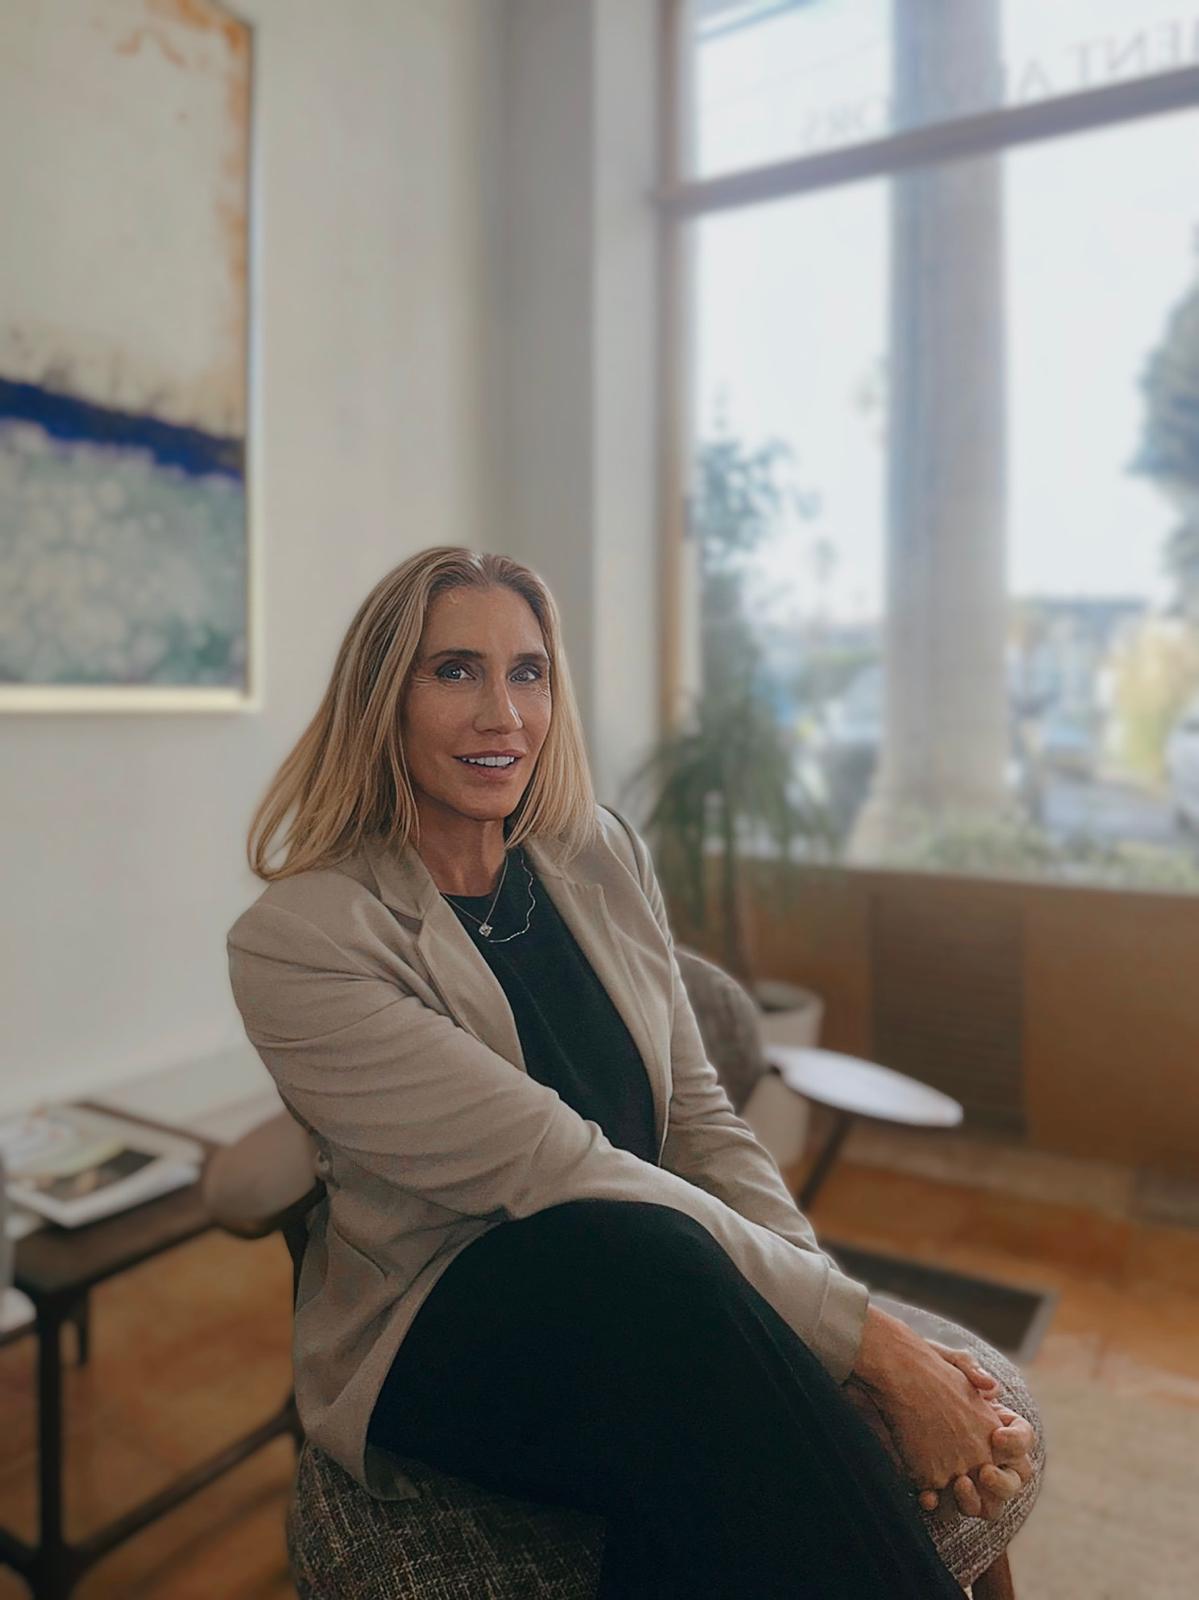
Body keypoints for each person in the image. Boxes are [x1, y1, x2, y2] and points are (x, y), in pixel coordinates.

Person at [227, 546, 1037, 1597]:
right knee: (645, 1256)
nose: (502, 714)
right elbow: (559, 1169)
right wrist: (869, 1347)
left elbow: (698, 1119)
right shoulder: (301, 938)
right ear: (383, 698)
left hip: (660, 1300)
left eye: (528, 673)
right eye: (454, 670)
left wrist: (822, 1329)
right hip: (440, 1328)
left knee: (713, 1448)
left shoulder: (598, 853)